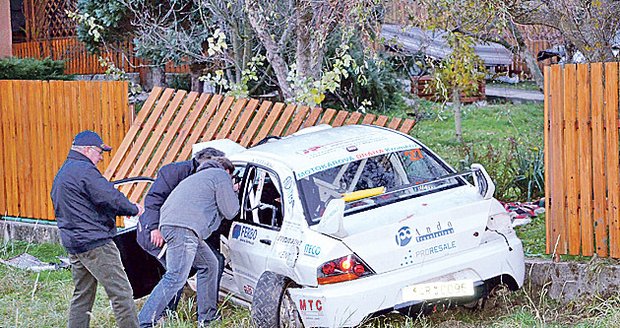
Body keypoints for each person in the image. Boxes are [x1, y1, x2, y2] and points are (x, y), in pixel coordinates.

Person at [50, 130, 145, 328]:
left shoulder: (64, 172)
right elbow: (109, 196)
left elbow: (87, 204)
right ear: (87, 150)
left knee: (82, 294)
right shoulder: (84, 171)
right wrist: (134, 209)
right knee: (121, 293)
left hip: (75, 243)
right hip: (96, 244)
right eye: (99, 152)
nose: (101, 158)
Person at [138, 157, 239, 327]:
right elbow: (230, 212)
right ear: (226, 171)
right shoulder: (220, 175)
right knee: (176, 276)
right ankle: (143, 322)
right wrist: (234, 192)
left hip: (179, 227)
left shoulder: (196, 178)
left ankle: (207, 318)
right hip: (183, 229)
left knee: (210, 264)